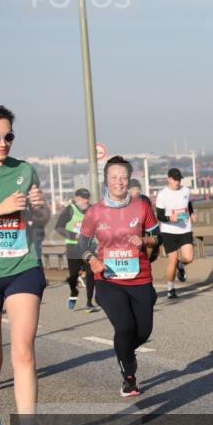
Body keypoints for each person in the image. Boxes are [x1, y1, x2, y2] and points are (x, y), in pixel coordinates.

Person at [0, 104, 49, 425]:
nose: (3, 143)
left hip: (22, 266)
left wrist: (40, 208)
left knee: (24, 351)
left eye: (8, 136)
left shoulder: (25, 170)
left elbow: (41, 218)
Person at [78, 156, 159, 397]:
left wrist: (144, 240)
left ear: (129, 179)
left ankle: (125, 353)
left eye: (123, 177)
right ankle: (129, 378)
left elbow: (158, 236)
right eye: (114, 177)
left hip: (140, 278)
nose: (119, 182)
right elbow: (81, 244)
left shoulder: (142, 206)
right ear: (106, 180)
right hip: (108, 279)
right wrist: (91, 259)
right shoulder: (95, 211)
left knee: (142, 332)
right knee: (124, 326)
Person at [54, 188, 99, 312]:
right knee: (73, 276)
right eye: (83, 198)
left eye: (88, 198)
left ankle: (89, 303)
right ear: (76, 199)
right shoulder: (69, 210)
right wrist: (74, 235)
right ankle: (74, 293)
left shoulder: (93, 210)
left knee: (90, 274)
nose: (86, 200)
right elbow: (58, 227)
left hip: (89, 247)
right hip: (73, 247)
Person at [155, 168, 194, 299]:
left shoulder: (186, 191)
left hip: (185, 229)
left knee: (189, 257)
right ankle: (170, 288)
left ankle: (181, 265)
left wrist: (192, 214)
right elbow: (159, 216)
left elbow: (189, 205)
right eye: (175, 179)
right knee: (173, 259)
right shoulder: (162, 195)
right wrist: (169, 218)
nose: (177, 182)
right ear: (168, 179)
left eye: (179, 179)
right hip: (169, 231)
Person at [129, 179, 161, 264]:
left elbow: (150, 215)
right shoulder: (125, 201)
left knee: (152, 241)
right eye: (133, 189)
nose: (136, 191)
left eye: (137, 188)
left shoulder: (145, 199)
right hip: (131, 230)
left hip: (145, 229)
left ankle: (147, 261)